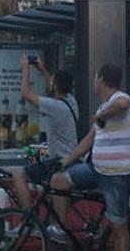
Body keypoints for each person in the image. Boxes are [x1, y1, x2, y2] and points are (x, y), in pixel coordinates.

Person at [52, 64, 130, 251]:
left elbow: (122, 106)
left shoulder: (121, 99)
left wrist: (102, 116)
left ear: (100, 79)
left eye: (95, 77)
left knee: (119, 225)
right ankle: (61, 229)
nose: (94, 82)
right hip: (96, 168)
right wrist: (67, 161)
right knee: (59, 181)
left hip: (118, 174)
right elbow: (89, 140)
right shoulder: (102, 107)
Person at [9, 56, 78, 210]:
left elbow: (26, 94)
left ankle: (28, 218)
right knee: (44, 191)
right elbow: (52, 85)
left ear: (55, 86)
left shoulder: (55, 107)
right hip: (70, 159)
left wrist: (25, 68)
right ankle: (46, 223)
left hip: (59, 161)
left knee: (19, 175)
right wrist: (42, 70)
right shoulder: (71, 101)